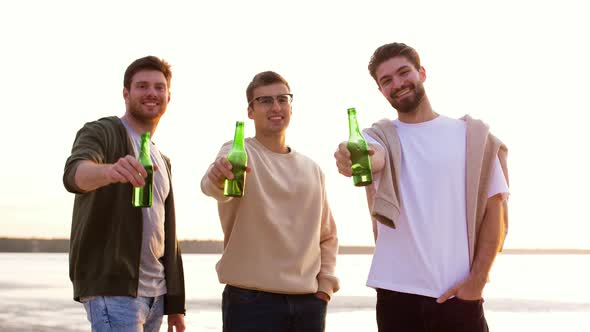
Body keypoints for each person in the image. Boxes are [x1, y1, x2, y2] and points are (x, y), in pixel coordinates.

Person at [334, 42, 509, 331]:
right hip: (395, 294)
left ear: (422, 72)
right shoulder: (378, 137)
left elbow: (495, 212)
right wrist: (349, 155)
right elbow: (370, 155)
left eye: (404, 73)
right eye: (386, 80)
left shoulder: (473, 137)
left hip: (458, 295)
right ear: (380, 91)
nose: (398, 84)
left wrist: (475, 284)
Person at [201, 71, 339, 332]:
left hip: (308, 303)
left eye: (282, 99)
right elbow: (214, 186)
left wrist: (325, 288)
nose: (275, 107)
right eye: (265, 101)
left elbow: (327, 236)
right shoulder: (239, 151)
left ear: (290, 106)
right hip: (250, 302)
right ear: (250, 111)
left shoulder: (312, 169)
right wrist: (218, 175)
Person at [63, 56, 186, 332]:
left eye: (159, 87)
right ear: (126, 93)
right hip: (114, 287)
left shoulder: (162, 159)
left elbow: (166, 233)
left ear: (168, 96)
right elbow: (74, 174)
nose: (152, 93)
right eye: (142, 86)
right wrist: (110, 171)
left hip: (157, 294)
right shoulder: (103, 131)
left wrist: (175, 304)